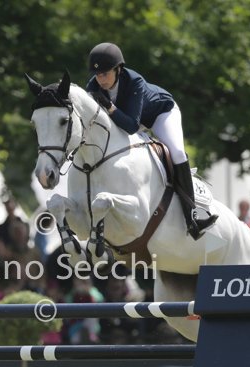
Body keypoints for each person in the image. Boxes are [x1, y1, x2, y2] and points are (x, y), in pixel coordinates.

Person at [85, 42, 217, 240]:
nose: (100, 79)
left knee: (177, 153)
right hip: (132, 121)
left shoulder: (134, 81)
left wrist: (110, 107)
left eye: (105, 74)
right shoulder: (93, 86)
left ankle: (193, 216)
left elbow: (131, 126)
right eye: (97, 74)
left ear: (118, 69)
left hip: (160, 114)